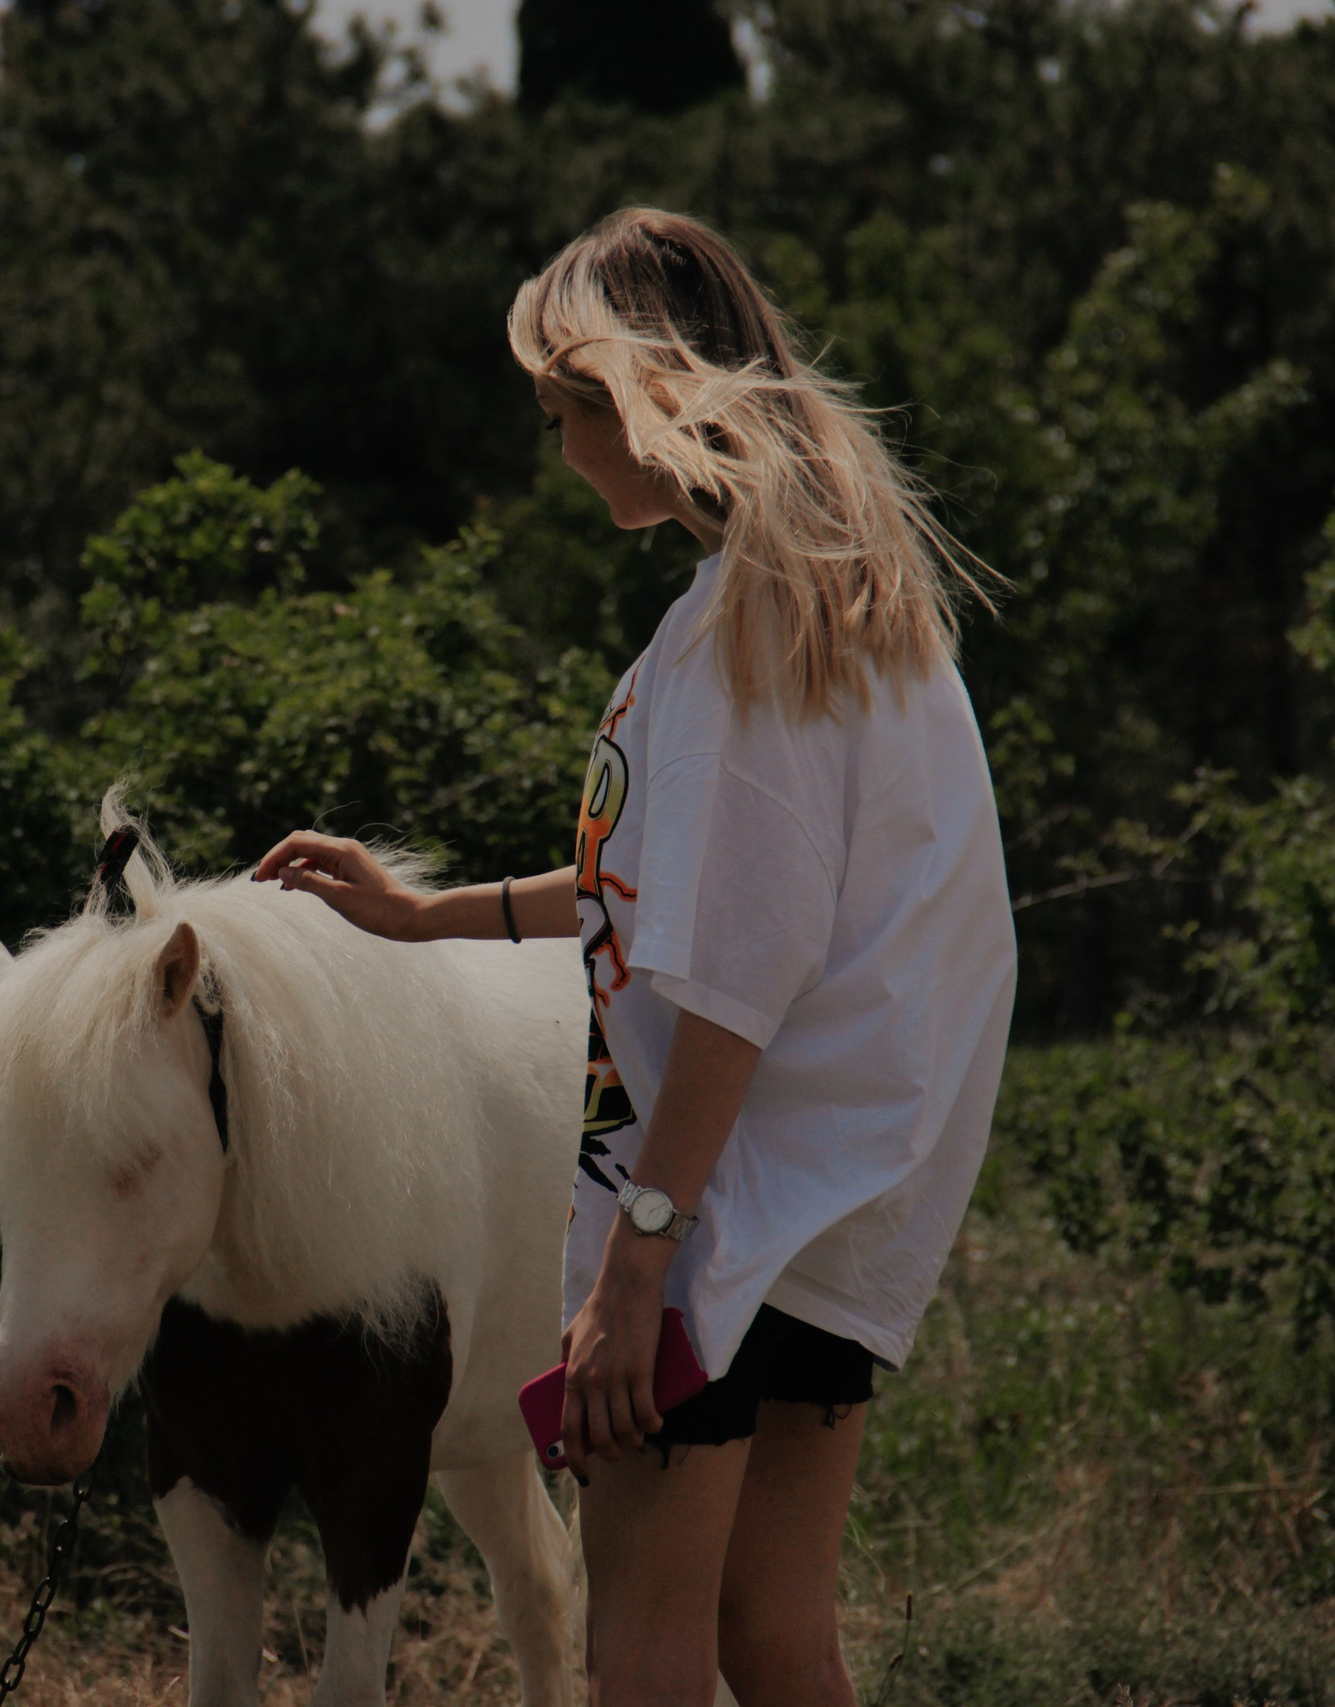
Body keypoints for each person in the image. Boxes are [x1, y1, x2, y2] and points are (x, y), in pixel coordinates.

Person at [251, 207, 1016, 1706]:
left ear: (637, 399)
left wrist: (637, 1268)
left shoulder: (745, 632)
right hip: (829, 1206)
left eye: (563, 413)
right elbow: (660, 890)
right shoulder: (852, 603)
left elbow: (735, 970)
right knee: (774, 1638)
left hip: (719, 1221)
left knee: (644, 1651)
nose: (560, 453)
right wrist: (426, 915)